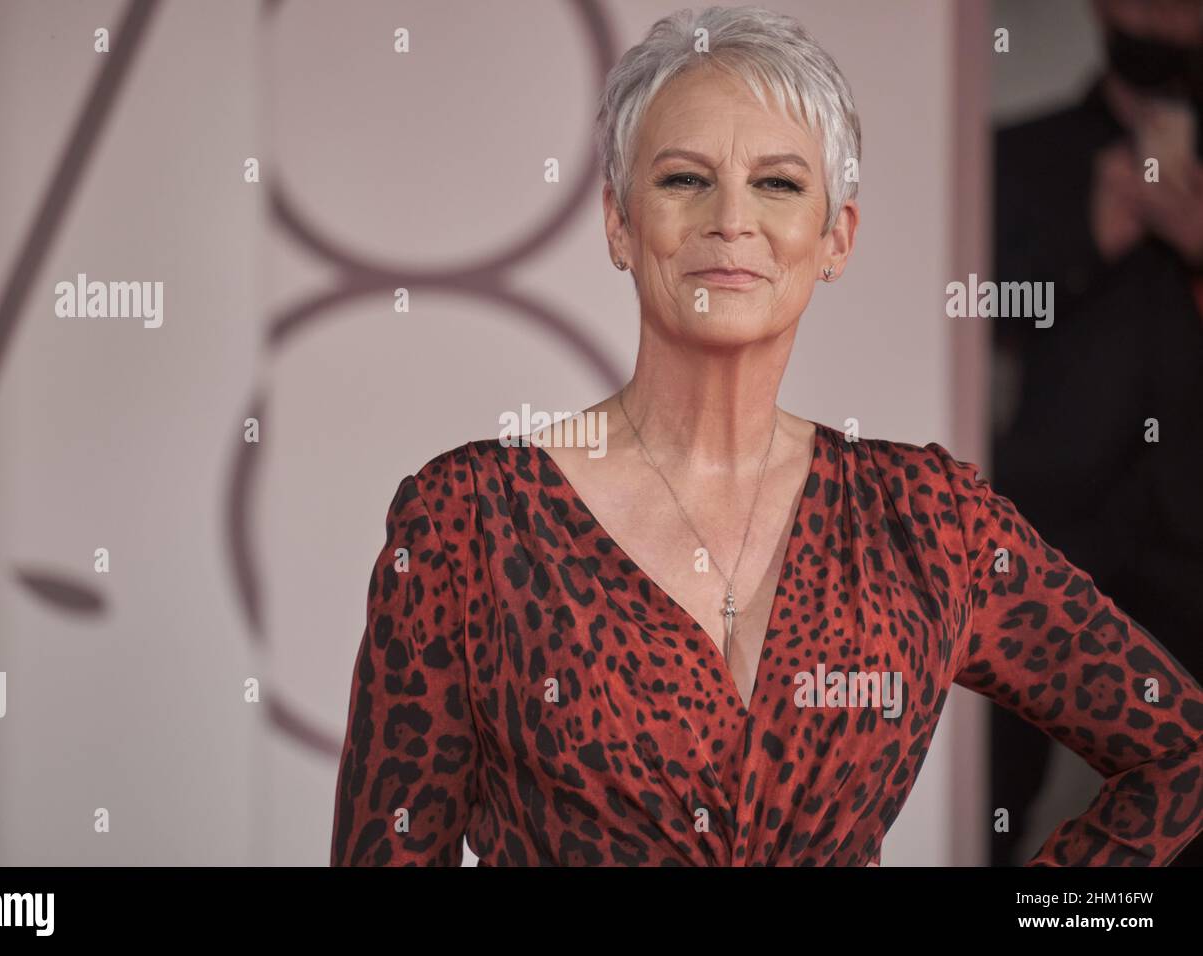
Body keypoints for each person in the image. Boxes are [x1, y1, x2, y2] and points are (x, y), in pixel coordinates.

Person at [330, 5, 1203, 866]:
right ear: (618, 224)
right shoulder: (464, 525)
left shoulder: (932, 521)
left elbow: (1180, 751)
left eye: (779, 183)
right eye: (683, 179)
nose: (731, 220)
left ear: (835, 238)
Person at [991, 0, 1203, 866]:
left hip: (1193, 532)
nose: (1159, 16)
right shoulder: (1021, 153)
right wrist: (1090, 236)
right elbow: (970, 312)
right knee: (992, 782)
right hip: (1046, 523)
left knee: (1187, 785)